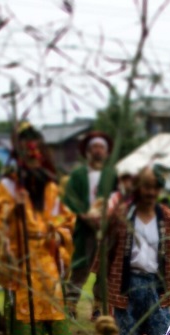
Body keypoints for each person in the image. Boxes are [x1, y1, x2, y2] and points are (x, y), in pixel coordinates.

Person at [0, 123, 74, 335]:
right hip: (20, 254)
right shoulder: (9, 187)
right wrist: (14, 210)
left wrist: (56, 233)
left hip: (45, 253)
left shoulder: (50, 186)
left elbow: (63, 218)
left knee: (45, 304)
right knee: (24, 305)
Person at [98, 166, 170, 335]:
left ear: (159, 189)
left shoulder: (169, 218)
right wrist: (101, 284)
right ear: (138, 188)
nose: (150, 192)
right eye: (145, 186)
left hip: (155, 286)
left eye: (154, 187)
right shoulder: (120, 216)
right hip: (125, 285)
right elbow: (104, 252)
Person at [64, 131, 116, 318]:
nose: (98, 151)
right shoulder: (78, 175)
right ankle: (70, 304)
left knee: (104, 269)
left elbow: (117, 198)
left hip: (106, 228)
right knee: (80, 266)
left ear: (107, 151)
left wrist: (108, 215)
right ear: (87, 151)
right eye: (94, 147)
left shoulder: (111, 174)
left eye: (101, 147)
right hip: (84, 228)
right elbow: (70, 198)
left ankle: (98, 307)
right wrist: (84, 215)